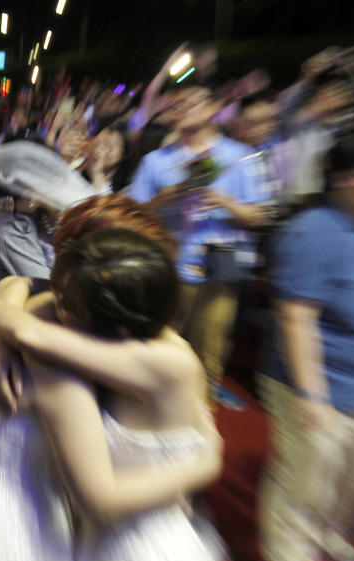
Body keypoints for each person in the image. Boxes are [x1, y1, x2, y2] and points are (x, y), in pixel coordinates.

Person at [0, 196, 223, 561]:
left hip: (110, 540)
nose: (54, 280)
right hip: (26, 520)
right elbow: (29, 298)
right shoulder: (82, 328)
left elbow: (31, 315)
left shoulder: (132, 353)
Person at [256, 133, 354, 561]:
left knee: (347, 476)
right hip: (313, 378)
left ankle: (330, 536)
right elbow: (297, 316)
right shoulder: (314, 230)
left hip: (353, 381)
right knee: (306, 473)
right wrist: (311, 392)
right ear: (345, 179)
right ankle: (285, 559)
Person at [129, 85, 271, 406]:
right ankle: (155, 413)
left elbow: (260, 216)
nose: (181, 110)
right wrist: (164, 199)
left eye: (190, 103)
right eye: (175, 105)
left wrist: (223, 201)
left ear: (213, 108)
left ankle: (200, 422)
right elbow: (134, 214)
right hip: (169, 269)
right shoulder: (156, 161)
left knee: (209, 353)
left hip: (217, 271)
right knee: (160, 349)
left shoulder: (240, 156)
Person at [0, 140, 97, 293]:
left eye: (8, 200)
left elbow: (48, 291)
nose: (3, 205)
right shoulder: (11, 220)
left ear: (31, 196)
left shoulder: (74, 211)